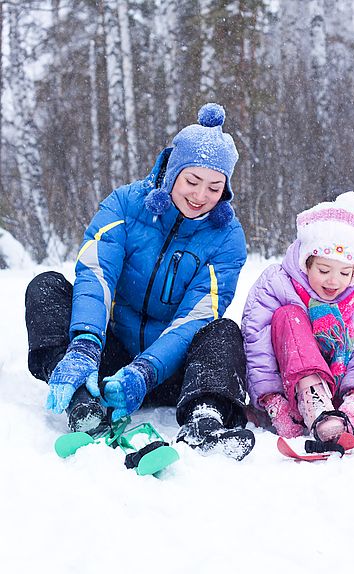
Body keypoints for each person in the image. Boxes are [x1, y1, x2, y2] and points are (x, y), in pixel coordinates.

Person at [25, 103, 255, 461]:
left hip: (172, 371)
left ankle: (204, 418)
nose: (200, 196)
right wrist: (86, 344)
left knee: (223, 330)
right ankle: (81, 399)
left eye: (214, 187)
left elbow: (196, 316)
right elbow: (96, 273)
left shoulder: (226, 237)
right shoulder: (126, 205)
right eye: (192, 181)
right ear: (172, 173)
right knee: (46, 287)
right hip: (109, 353)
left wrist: (145, 372)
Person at [241, 191, 354, 443]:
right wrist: (271, 397)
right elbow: (256, 341)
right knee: (289, 315)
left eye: (345, 273)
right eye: (324, 269)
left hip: (341, 390)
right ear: (306, 262)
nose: (333, 281)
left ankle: (338, 414)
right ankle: (312, 399)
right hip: (287, 389)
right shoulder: (278, 284)